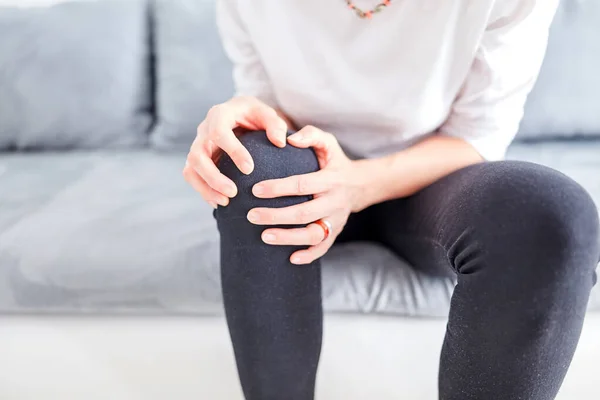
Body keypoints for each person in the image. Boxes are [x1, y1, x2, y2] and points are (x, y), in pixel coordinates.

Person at [183, 1, 600, 399]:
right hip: (312, 176)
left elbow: (479, 137)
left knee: (553, 216)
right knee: (254, 165)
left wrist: (359, 184)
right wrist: (246, 112)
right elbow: (271, 109)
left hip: (432, 180)